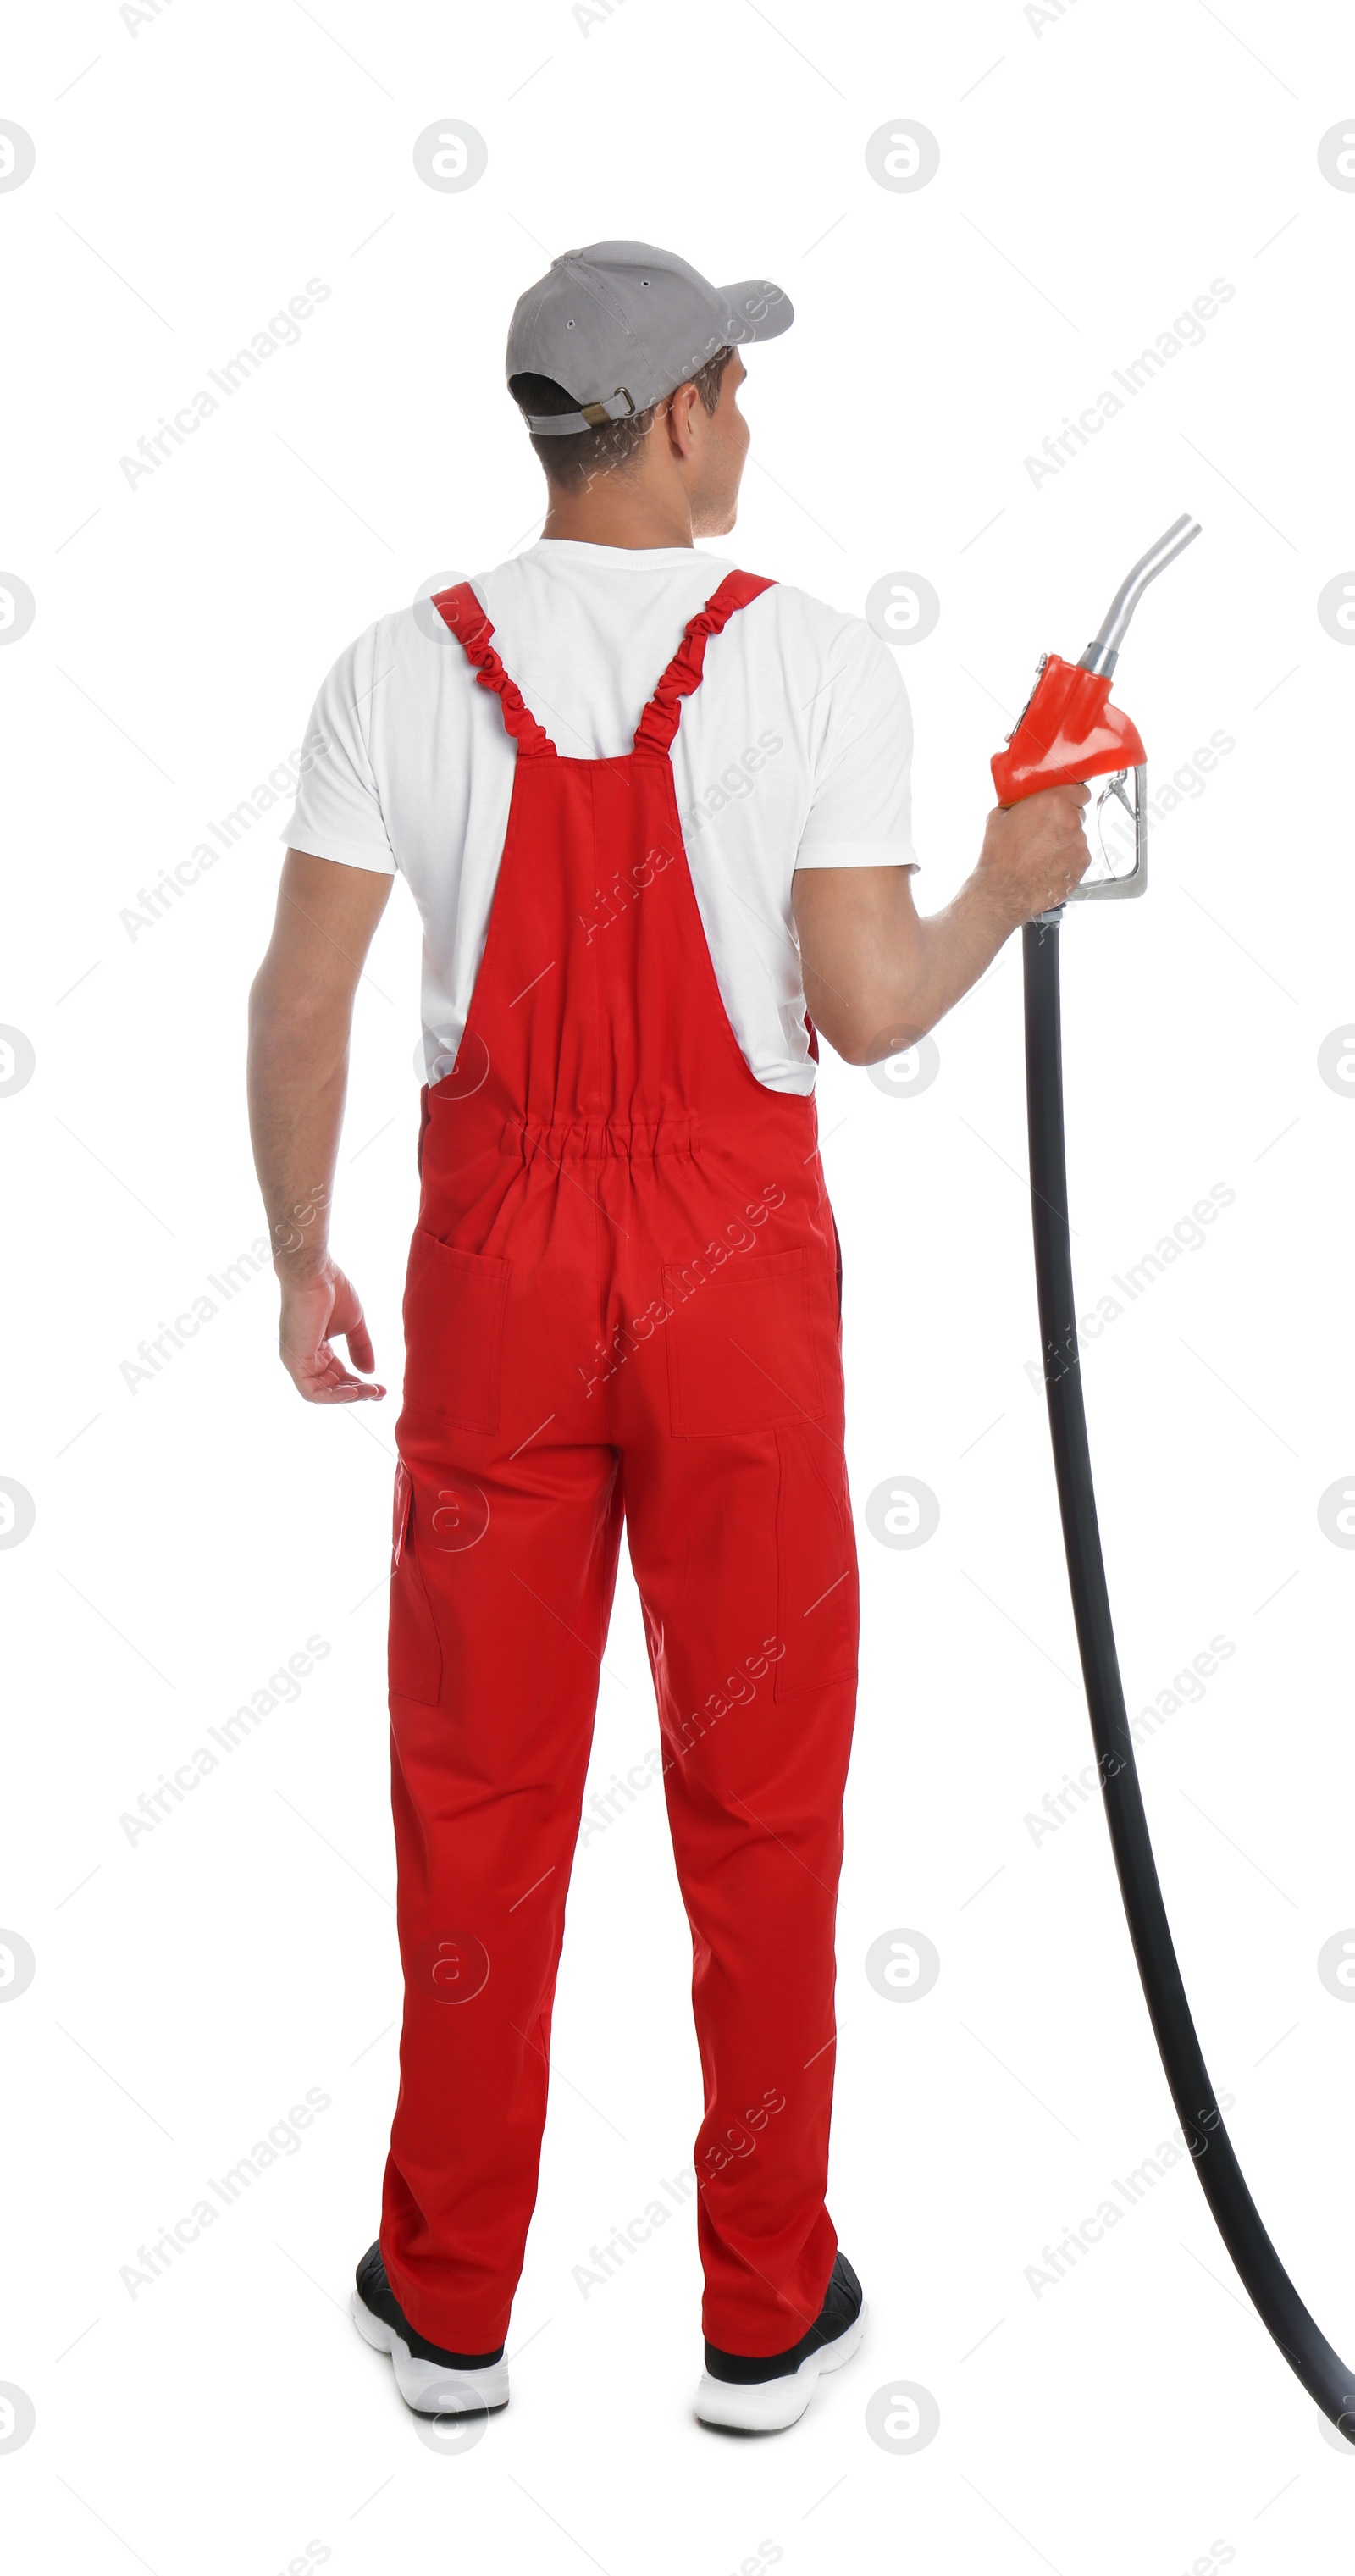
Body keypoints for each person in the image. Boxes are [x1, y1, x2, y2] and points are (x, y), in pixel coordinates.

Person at [247, 240, 1090, 2436]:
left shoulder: (397, 666)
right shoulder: (813, 663)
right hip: (730, 1280)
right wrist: (1021, 868)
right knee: (762, 1792)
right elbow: (881, 1008)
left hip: (495, 1277)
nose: (754, 421)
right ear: (688, 412)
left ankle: (447, 2308)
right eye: (741, 383)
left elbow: (305, 1000)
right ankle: (758, 2306)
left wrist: (292, 1258)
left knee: (477, 1795)